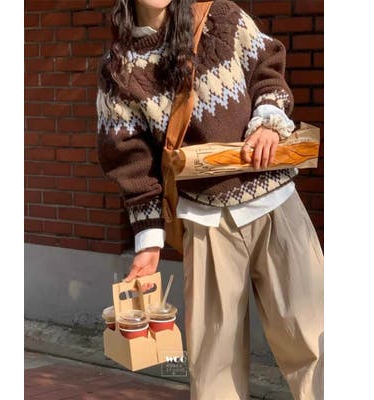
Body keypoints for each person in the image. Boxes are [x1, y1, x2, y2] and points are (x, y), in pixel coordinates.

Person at [96, 0, 324, 399]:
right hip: (205, 222)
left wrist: (269, 120)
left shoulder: (222, 16)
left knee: (315, 343)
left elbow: (267, 66)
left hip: (276, 204)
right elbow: (131, 160)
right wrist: (148, 243)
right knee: (214, 366)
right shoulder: (119, 68)